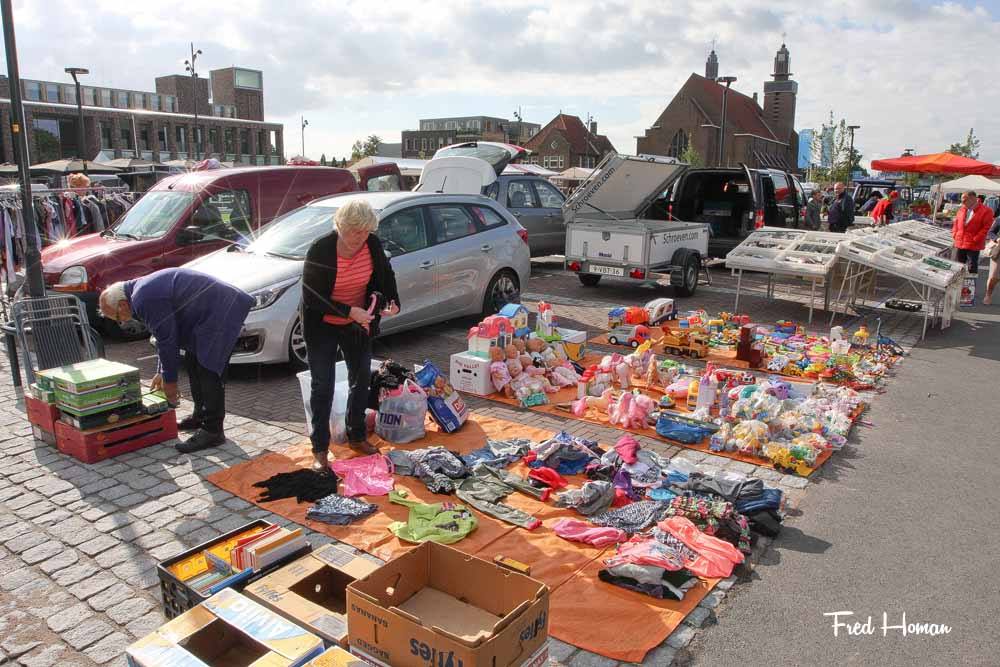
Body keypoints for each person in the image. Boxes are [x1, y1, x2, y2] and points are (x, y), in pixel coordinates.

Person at [99, 268, 254, 453]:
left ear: (123, 304)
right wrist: (160, 371)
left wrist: (170, 384)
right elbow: (163, 334)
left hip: (220, 309)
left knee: (208, 368)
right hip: (207, 312)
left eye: (116, 317)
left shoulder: (143, 299)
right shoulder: (138, 292)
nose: (121, 322)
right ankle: (199, 416)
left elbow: (167, 341)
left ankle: (213, 430)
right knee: (192, 361)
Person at [301, 199, 400, 471]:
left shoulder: (372, 244)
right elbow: (312, 296)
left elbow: (385, 274)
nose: (362, 237)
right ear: (341, 226)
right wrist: (348, 311)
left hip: (358, 323)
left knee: (361, 379)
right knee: (323, 385)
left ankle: (357, 435)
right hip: (322, 323)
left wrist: (392, 300)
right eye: (356, 231)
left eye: (367, 231)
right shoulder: (321, 249)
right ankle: (320, 448)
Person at [952, 190, 994, 276]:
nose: (962, 203)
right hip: (960, 241)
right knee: (958, 266)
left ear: (972, 198)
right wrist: (954, 233)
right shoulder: (962, 209)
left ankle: (970, 288)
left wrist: (976, 238)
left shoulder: (986, 211)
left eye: (964, 200)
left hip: (973, 244)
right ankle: (958, 285)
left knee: (972, 267)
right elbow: (956, 222)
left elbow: (987, 227)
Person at [985, 215, 1000, 305]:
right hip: (998, 251)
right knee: (994, 277)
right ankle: (988, 294)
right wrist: (997, 239)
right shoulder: (999, 219)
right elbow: (990, 232)